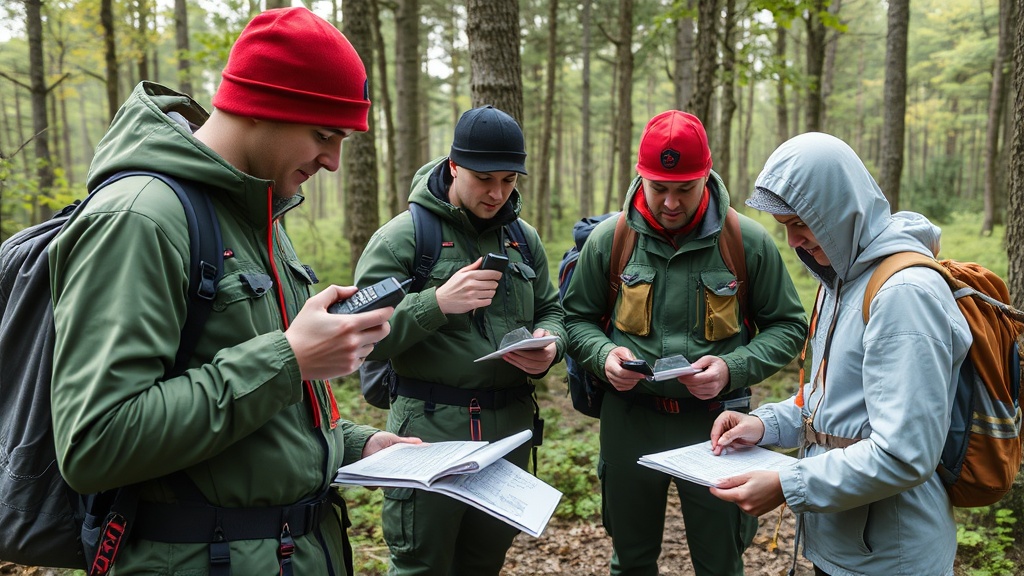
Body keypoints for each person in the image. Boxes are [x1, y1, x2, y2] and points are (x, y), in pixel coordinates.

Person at [48, 8, 419, 575]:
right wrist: (290, 358)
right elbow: (95, 442)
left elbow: (260, 418)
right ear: (262, 107)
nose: (334, 162)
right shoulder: (141, 219)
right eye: (324, 135)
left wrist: (355, 445)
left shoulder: (255, 215)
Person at [709, 132, 972, 576]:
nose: (793, 241)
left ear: (836, 211)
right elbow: (832, 401)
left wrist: (787, 484)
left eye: (800, 223)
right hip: (847, 547)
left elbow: (904, 453)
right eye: (785, 227)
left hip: (892, 556)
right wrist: (764, 425)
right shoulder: (843, 280)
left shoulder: (904, 295)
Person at [562, 110, 807, 576]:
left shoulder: (745, 242)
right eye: (659, 188)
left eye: (684, 189)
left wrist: (731, 368)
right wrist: (603, 355)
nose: (671, 203)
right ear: (641, 177)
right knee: (631, 559)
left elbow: (789, 327)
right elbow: (574, 319)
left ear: (706, 177)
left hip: (718, 424)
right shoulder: (610, 240)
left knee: (720, 558)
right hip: (629, 418)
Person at [353, 104, 566, 575]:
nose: (497, 193)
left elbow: (553, 308)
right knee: (421, 565)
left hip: (508, 431)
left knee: (484, 561)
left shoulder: (523, 239)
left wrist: (550, 342)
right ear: (453, 167)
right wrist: (436, 303)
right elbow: (359, 338)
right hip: (427, 433)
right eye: (483, 179)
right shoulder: (404, 238)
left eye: (509, 180)